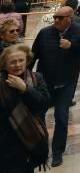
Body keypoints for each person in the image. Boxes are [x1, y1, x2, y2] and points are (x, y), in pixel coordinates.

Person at [31, 3, 80, 167]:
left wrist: (72, 46)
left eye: (59, 18)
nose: (55, 20)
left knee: (61, 118)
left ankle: (58, 152)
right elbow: (33, 55)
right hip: (45, 83)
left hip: (66, 83)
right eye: (55, 17)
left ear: (69, 20)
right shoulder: (44, 33)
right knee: (39, 117)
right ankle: (41, 149)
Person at [0, 43, 51, 173]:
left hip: (30, 140)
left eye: (21, 60)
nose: (18, 65)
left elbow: (44, 104)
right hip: (6, 144)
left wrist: (25, 89)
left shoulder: (36, 78)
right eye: (12, 62)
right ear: (4, 65)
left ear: (27, 61)